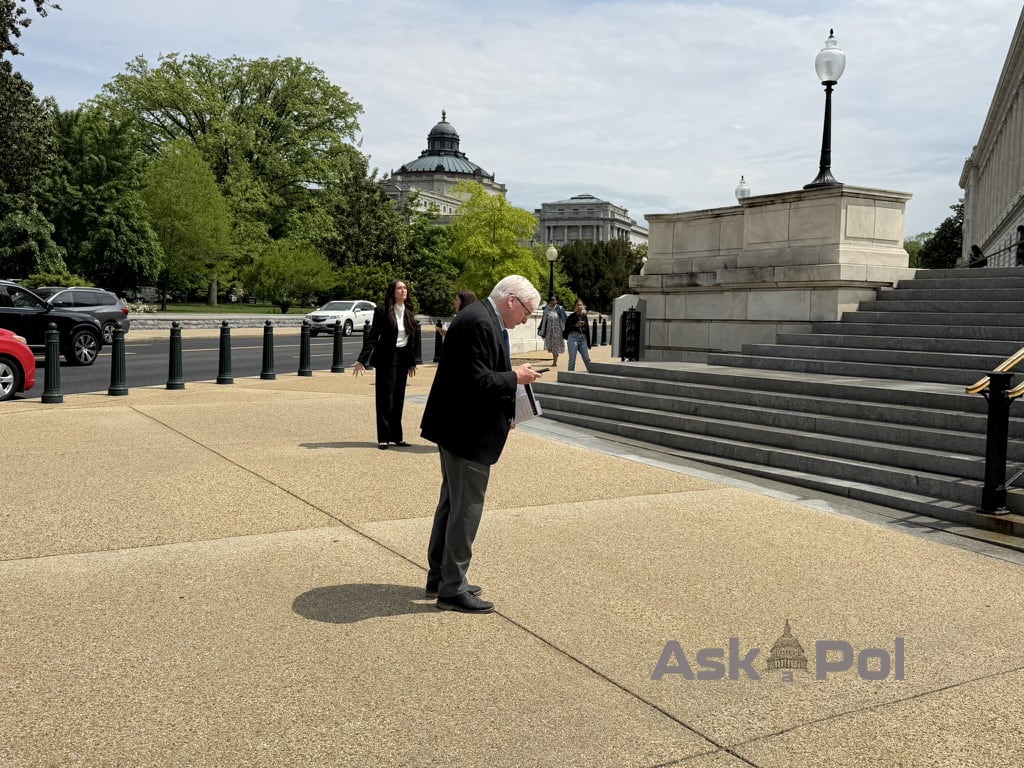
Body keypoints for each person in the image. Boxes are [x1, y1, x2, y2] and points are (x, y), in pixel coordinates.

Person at [420, 275, 543, 614]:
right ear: (511, 301)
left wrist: (511, 376)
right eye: (527, 312)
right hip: (467, 432)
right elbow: (478, 382)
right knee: (466, 509)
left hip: (456, 428)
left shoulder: (478, 317)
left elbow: (476, 374)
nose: (525, 320)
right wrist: (515, 377)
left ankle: (441, 576)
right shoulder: (481, 323)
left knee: (452, 503)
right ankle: (452, 588)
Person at [353, 279, 418, 450]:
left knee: (398, 398)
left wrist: (412, 363)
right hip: (385, 359)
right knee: (384, 398)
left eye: (405, 288)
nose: (403, 290)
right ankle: (383, 437)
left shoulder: (409, 311)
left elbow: (410, 340)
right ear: (393, 292)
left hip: (403, 359)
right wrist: (361, 359)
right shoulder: (382, 311)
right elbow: (373, 336)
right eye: (399, 288)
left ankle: (397, 437)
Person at [563, 298, 592, 372]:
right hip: (573, 338)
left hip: (582, 338)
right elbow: (566, 329)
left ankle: (591, 373)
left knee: (587, 359)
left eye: (581, 305)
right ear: (575, 307)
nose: (579, 307)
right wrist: (575, 325)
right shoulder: (571, 317)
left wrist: (588, 343)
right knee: (572, 359)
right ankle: (570, 376)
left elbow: (587, 329)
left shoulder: (584, 316)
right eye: (578, 305)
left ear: (583, 306)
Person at [539, 295, 566, 366]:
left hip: (558, 331)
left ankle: (555, 362)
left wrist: (565, 329)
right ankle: (555, 360)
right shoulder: (547, 310)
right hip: (549, 331)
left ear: (557, 301)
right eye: (551, 299)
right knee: (550, 346)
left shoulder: (560, 308)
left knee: (556, 347)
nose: (552, 301)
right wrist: (541, 329)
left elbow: (565, 319)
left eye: (553, 299)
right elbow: (543, 320)